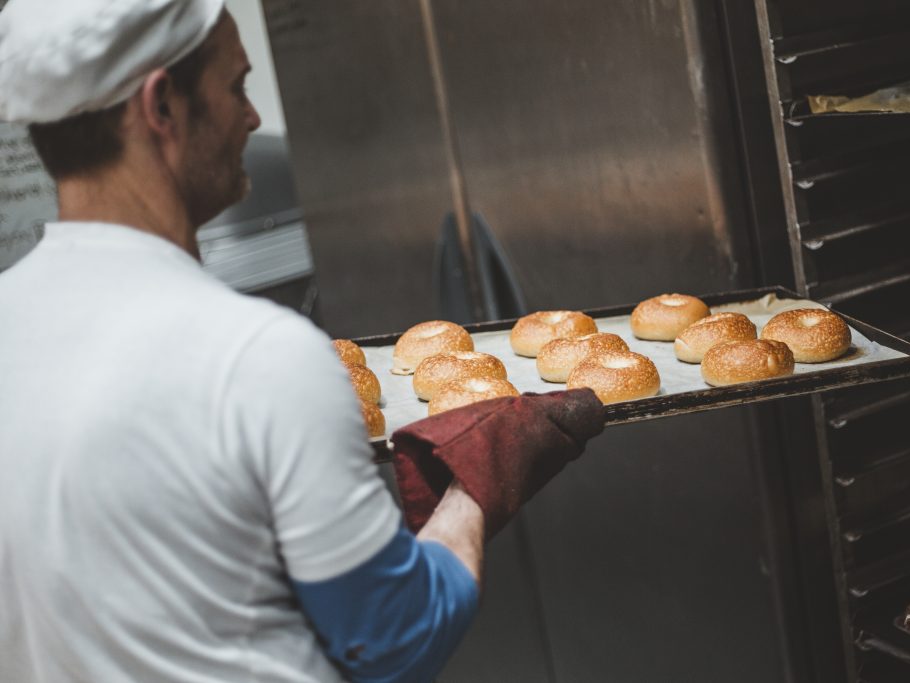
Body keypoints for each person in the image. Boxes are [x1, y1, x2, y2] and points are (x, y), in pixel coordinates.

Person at [0, 1, 603, 682]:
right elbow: (397, 638)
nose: (252, 118)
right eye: (237, 87)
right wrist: (478, 479)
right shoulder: (259, 357)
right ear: (161, 106)